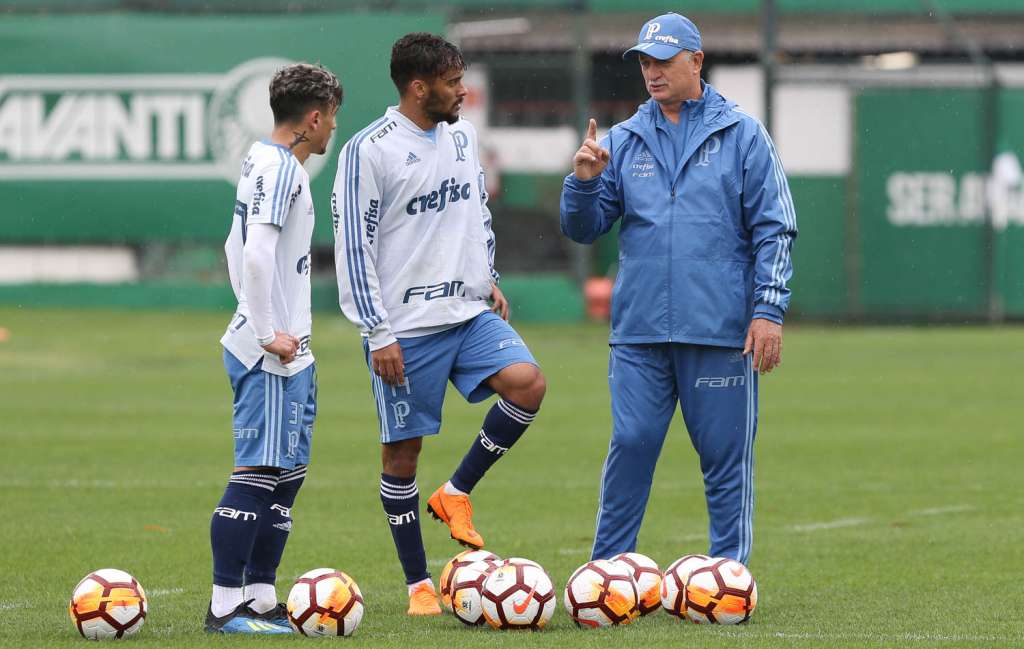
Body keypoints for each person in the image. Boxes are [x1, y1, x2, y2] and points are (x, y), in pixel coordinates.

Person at [560, 13, 797, 565]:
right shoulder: (620, 140)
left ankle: (728, 574)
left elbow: (776, 228)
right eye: (645, 62)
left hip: (718, 330)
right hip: (640, 330)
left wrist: (768, 310)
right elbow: (583, 228)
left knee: (723, 456)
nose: (652, 72)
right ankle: (608, 576)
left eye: (663, 61)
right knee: (632, 444)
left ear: (697, 60)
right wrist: (583, 182)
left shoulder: (743, 134)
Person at [332, 32, 546, 616]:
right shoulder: (368, 150)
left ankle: (455, 493)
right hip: (406, 329)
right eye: (453, 83)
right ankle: (417, 585)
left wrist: (487, 275)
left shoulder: (462, 135)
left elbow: (475, 208)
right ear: (418, 86)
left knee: (528, 384)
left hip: (468, 310)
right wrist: (377, 331)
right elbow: (353, 247)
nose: (463, 91)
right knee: (402, 457)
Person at [210, 63, 341, 634]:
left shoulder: (263, 161)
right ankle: (224, 606)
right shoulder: (281, 168)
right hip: (270, 352)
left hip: (291, 351)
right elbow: (256, 253)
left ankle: (261, 596)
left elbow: (230, 245)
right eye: (332, 117)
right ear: (313, 118)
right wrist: (264, 330)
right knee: (259, 471)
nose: (333, 128)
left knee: (287, 474)